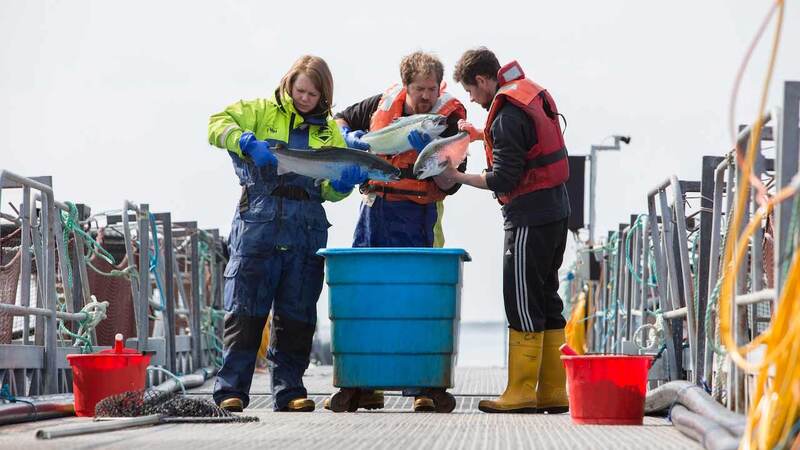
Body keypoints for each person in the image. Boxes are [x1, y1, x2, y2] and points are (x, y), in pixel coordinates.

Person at [207, 55, 366, 413]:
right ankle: (231, 389)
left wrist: (342, 184)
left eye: (313, 93)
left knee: (297, 314)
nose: (305, 98)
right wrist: (244, 140)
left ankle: (289, 389)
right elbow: (216, 124)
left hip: (306, 227)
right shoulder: (260, 110)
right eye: (300, 90)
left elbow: (329, 190)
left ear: (324, 95)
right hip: (258, 223)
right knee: (245, 309)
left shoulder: (329, 131)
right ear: (289, 84)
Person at [329, 51, 467, 412]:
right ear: (405, 86)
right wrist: (347, 136)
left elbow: (451, 184)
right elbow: (339, 118)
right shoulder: (379, 104)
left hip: (420, 214)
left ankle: (423, 384)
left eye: (432, 89)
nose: (426, 96)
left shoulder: (447, 121)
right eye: (419, 89)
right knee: (367, 297)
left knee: (418, 300)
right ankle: (365, 384)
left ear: (441, 87)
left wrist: (435, 158)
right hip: (375, 210)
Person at [441, 47, 571, 414]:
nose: (471, 98)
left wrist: (457, 177)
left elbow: (504, 177)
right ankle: (551, 390)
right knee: (546, 297)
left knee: (522, 300)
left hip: (529, 217)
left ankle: (520, 391)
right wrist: (482, 135)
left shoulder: (506, 115)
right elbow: (521, 145)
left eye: (470, 90)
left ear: (483, 80)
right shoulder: (524, 97)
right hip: (556, 210)